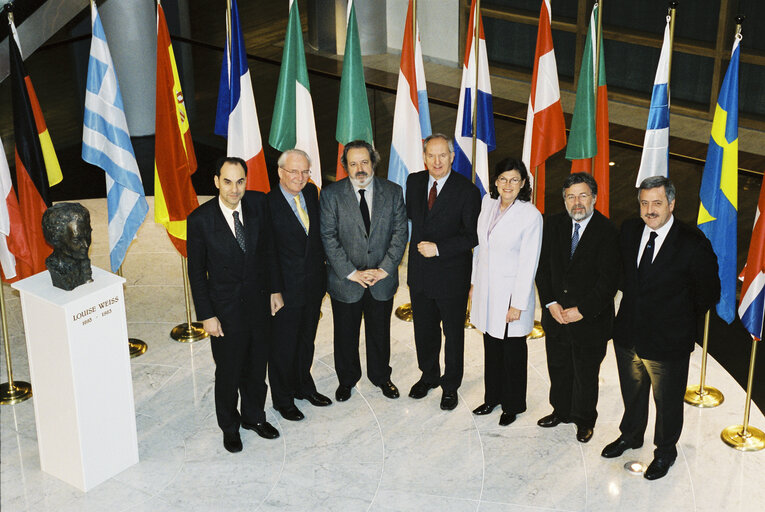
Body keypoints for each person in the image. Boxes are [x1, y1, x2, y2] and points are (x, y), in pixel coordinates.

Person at [602, 176, 719, 480]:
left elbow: (708, 292)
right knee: (633, 393)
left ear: (672, 204)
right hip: (628, 335)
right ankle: (631, 435)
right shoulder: (629, 229)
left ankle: (665, 451)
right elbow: (621, 276)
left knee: (667, 404)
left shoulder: (693, 242)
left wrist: (677, 320)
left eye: (656, 203)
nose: (649, 209)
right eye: (644, 202)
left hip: (669, 342)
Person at [187, 157, 284, 453]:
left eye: (240, 181)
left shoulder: (257, 204)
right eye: (227, 181)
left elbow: (269, 251)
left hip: (258, 306)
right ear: (216, 181)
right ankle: (229, 426)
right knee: (229, 372)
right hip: (225, 312)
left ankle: (254, 417)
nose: (234, 189)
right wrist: (207, 315)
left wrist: (275, 290)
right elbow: (197, 272)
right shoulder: (200, 220)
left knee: (256, 368)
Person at [320, 140, 408, 402]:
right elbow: (328, 237)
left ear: (373, 162)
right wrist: (352, 273)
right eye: (353, 163)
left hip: (381, 279)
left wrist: (384, 269)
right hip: (345, 281)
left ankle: (381, 377)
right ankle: (346, 380)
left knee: (379, 332)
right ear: (345, 165)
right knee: (345, 334)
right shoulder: (331, 194)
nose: (360, 168)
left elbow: (400, 233)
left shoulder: (393, 191)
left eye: (364, 162)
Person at [535, 173, 620, 443]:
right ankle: (560, 410)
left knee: (585, 374)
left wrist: (581, 310)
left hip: (590, 320)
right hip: (556, 317)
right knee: (558, 367)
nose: (577, 202)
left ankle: (584, 420)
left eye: (583, 196)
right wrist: (550, 303)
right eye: (571, 197)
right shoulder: (553, 225)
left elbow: (609, 281)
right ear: (564, 200)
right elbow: (543, 268)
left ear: (594, 198)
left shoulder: (608, 232)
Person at [406, 134, 481, 410]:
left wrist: (438, 248)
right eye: (431, 155)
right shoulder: (413, 182)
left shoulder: (467, 191)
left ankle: (450, 385)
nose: (436, 161)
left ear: (451, 157)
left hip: (451, 276)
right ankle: (428, 375)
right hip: (420, 275)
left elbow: (472, 236)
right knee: (424, 330)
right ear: (424, 157)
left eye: (442, 156)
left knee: (452, 334)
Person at [469, 158, 542, 425]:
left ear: (523, 183)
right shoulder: (487, 205)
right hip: (487, 291)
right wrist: (474, 283)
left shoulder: (531, 215)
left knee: (513, 351)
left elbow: (528, 263)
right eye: (503, 178)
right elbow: (480, 248)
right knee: (491, 346)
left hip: (511, 295)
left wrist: (518, 304)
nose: (507, 185)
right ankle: (492, 398)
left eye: (514, 180)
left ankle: (512, 404)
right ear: (495, 181)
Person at [267, 149, 332, 422]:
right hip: (284, 290)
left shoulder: (311, 194)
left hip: (312, 286)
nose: (300, 177)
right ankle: (283, 399)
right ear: (280, 172)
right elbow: (266, 252)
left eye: (305, 171)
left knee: (306, 340)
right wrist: (273, 290)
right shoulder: (266, 204)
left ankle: (304, 386)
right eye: (293, 171)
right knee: (283, 346)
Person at [41, 202, 93, 291]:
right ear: (57, 240)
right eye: (76, 240)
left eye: (88, 235)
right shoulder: (57, 267)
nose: (86, 245)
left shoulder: (82, 261)